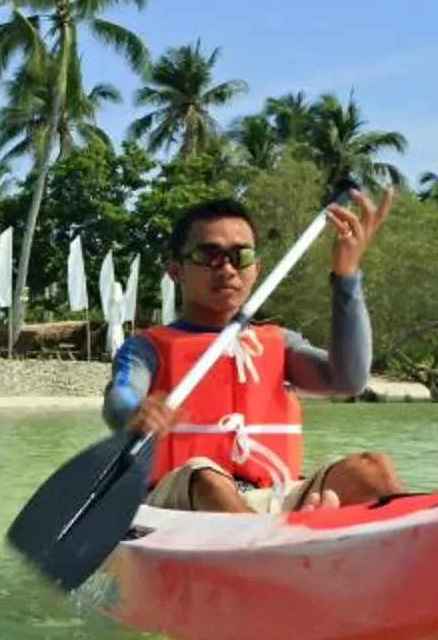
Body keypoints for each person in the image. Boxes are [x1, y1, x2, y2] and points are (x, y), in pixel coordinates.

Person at [104, 190, 402, 514]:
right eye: (210, 256)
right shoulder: (145, 347)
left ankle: (416, 539)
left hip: (272, 494)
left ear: (257, 269)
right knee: (206, 476)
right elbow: (120, 395)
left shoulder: (281, 343)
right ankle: (276, 549)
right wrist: (134, 412)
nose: (228, 269)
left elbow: (349, 380)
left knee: (372, 468)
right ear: (175, 270)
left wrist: (346, 276)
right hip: (180, 499)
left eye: (240, 257)